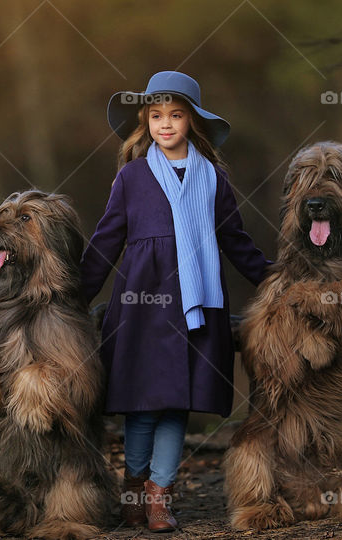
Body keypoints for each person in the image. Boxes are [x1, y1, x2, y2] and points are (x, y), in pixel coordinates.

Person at [79, 71, 273, 532]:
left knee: (176, 403)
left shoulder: (214, 180)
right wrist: (76, 293)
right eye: (156, 116)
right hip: (143, 303)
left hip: (197, 303)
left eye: (176, 115)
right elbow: (107, 240)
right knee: (142, 402)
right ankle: (133, 489)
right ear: (145, 122)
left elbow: (236, 241)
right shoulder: (132, 177)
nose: (166, 124)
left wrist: (276, 279)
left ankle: (159, 497)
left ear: (193, 122)